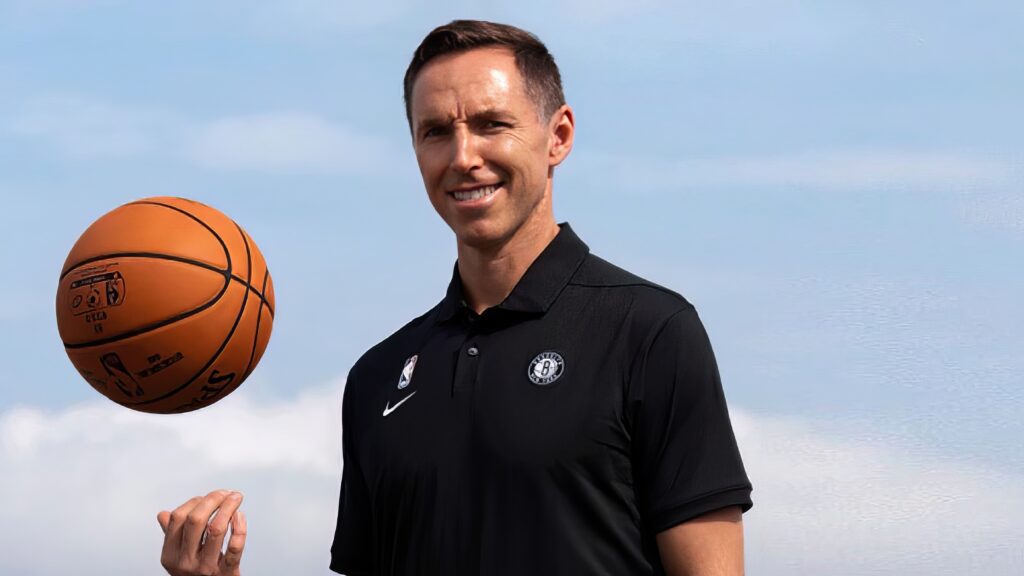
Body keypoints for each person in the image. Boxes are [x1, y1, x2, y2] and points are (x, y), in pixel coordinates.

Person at [157, 19, 753, 576]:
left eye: (492, 125)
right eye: (437, 132)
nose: (464, 157)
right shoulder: (376, 378)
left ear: (558, 136)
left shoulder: (650, 331)